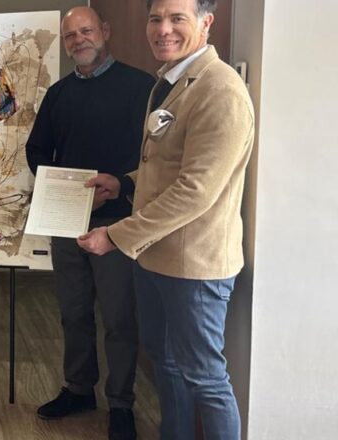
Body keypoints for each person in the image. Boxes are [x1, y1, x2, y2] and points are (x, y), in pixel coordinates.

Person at [77, 1, 254, 439]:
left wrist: (116, 236)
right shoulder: (169, 81)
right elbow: (166, 167)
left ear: (206, 23)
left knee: (205, 377)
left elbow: (195, 190)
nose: (163, 29)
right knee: (165, 361)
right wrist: (124, 183)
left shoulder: (221, 90)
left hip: (194, 265)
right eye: (156, 19)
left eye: (177, 19)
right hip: (155, 257)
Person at [25, 7, 154, 440]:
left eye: (86, 31)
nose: (79, 40)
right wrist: (59, 187)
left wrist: (121, 185)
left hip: (118, 225)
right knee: (73, 312)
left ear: (105, 31)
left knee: (119, 319)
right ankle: (79, 388)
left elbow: (155, 159)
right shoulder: (59, 94)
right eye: (70, 35)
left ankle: (121, 404)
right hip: (67, 223)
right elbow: (36, 150)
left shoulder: (141, 88)